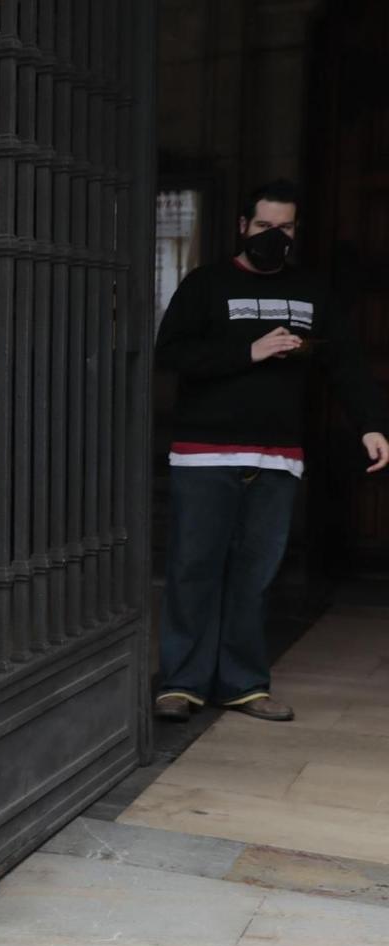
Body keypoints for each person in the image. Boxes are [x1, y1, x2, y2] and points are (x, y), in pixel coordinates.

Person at [154, 179, 389, 724]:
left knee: (255, 576)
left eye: (284, 228)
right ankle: (181, 684)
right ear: (243, 227)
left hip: (278, 457)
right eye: (264, 227)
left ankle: (242, 684)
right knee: (193, 570)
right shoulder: (205, 284)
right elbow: (173, 354)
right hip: (205, 454)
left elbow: (347, 363)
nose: (274, 237)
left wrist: (372, 425)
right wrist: (250, 350)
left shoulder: (312, 292)